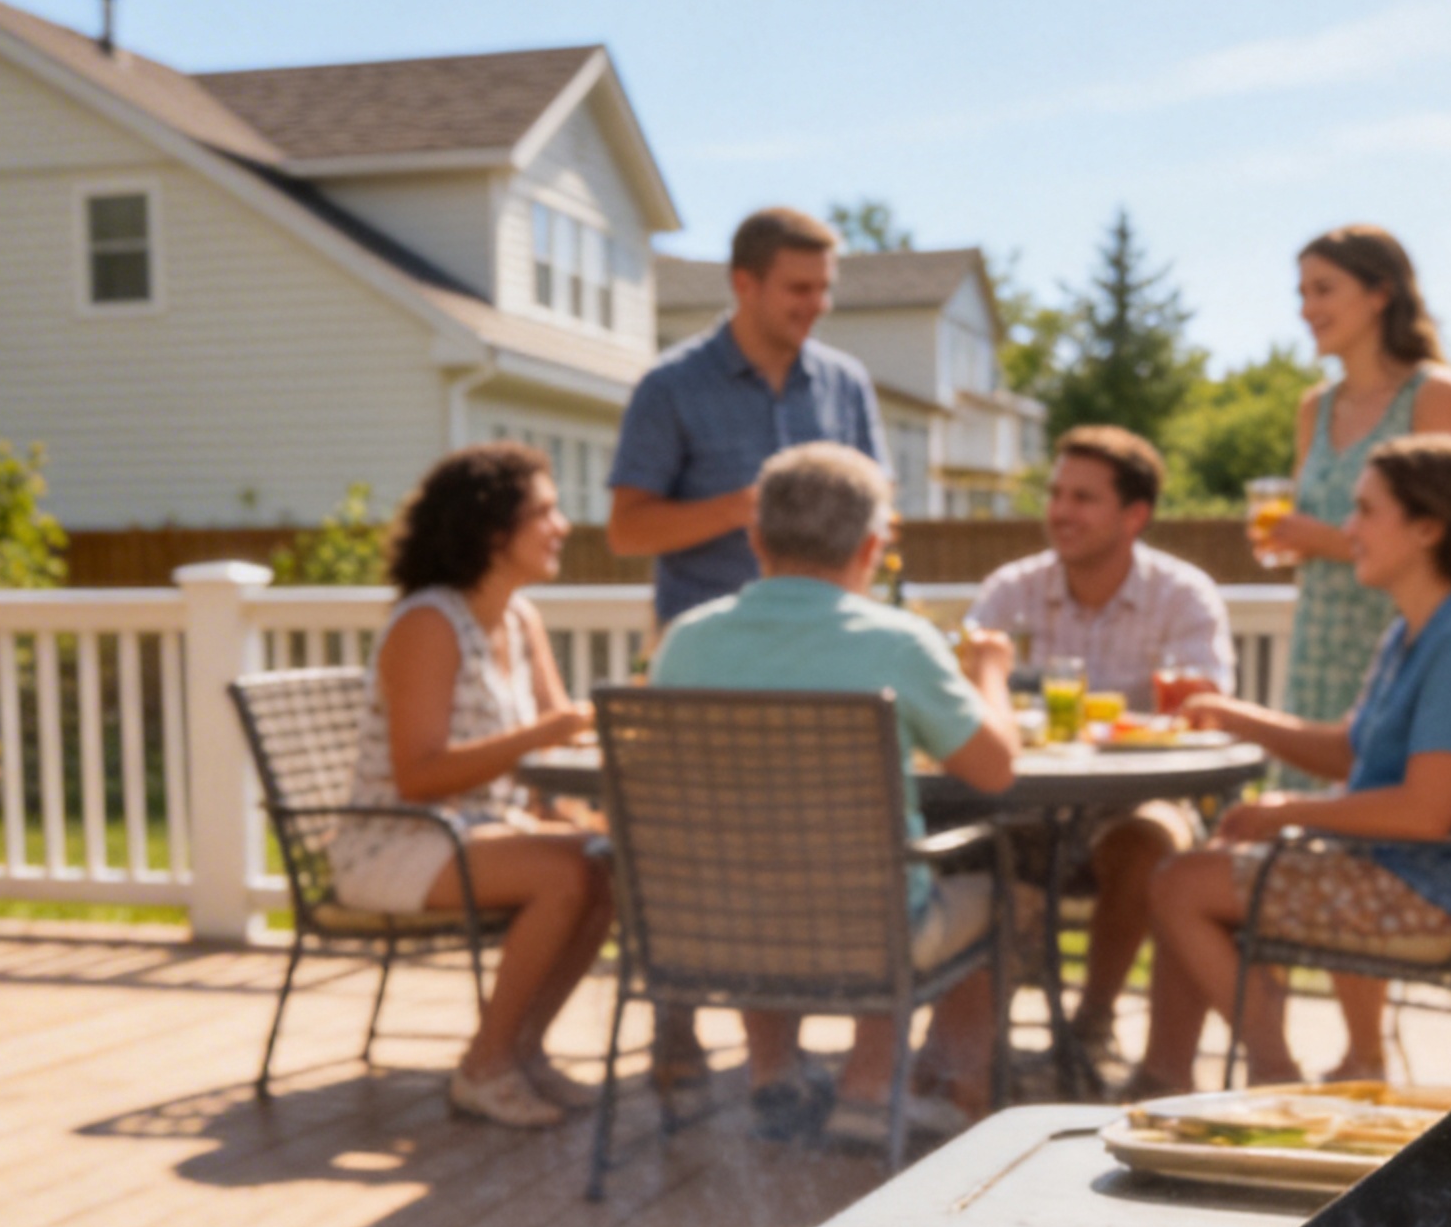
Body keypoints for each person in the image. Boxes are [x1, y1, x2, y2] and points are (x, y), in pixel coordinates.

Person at [1136, 435, 1451, 1095]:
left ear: (1428, 528)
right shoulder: (1422, 626)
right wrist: (1229, 712)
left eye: (1365, 511)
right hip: (1396, 875)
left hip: (1428, 899)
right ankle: (1188, 1074)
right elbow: (1349, 752)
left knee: (1181, 884)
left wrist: (1286, 811)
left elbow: (1425, 810)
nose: (1347, 529)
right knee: (1202, 869)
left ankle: (1275, 1080)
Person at [645, 443, 1022, 1148]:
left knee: (758, 852)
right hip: (867, 929)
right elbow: (996, 771)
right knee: (995, 884)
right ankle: (868, 1090)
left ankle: (773, 1075)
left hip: (715, 926)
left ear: (754, 538)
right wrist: (991, 673)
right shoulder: (899, 643)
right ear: (872, 548)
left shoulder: (685, 643)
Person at [606, 205, 887, 1111]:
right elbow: (626, 527)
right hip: (709, 664)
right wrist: (744, 509)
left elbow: (879, 515)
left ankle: (786, 1063)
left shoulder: (844, 384)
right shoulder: (672, 385)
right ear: (745, 284)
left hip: (827, 662)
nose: (816, 305)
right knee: (705, 844)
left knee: (808, 848)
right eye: (799, 288)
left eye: (824, 288)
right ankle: (680, 1018)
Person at [322, 442, 613, 1129]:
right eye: (545, 510)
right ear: (491, 530)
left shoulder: (519, 616)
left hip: (480, 831)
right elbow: (419, 775)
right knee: (567, 873)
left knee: (609, 863)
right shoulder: (428, 623)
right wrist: (544, 736)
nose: (563, 525)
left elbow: (558, 739)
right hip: (397, 843)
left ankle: (521, 1051)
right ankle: (484, 1068)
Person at [1264, 226, 1451, 1081]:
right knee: (1325, 825)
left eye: (1323, 289)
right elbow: (1330, 529)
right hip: (1324, 630)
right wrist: (1302, 543)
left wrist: (1319, 537)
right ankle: (1356, 1048)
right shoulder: (1312, 409)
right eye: (1303, 290)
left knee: (1372, 818)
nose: (1306, 308)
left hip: (1401, 632)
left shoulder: (1437, 394)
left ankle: (1363, 1052)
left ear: (1379, 293)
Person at [962, 426, 1233, 1078]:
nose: (1060, 511)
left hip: (1135, 800)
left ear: (1134, 515)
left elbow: (1203, 713)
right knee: (978, 843)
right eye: (1056, 493)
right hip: (1023, 802)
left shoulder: (1183, 595)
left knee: (1149, 839)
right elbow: (965, 700)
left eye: (1083, 497)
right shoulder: (1008, 592)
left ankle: (1092, 1020)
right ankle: (971, 1054)